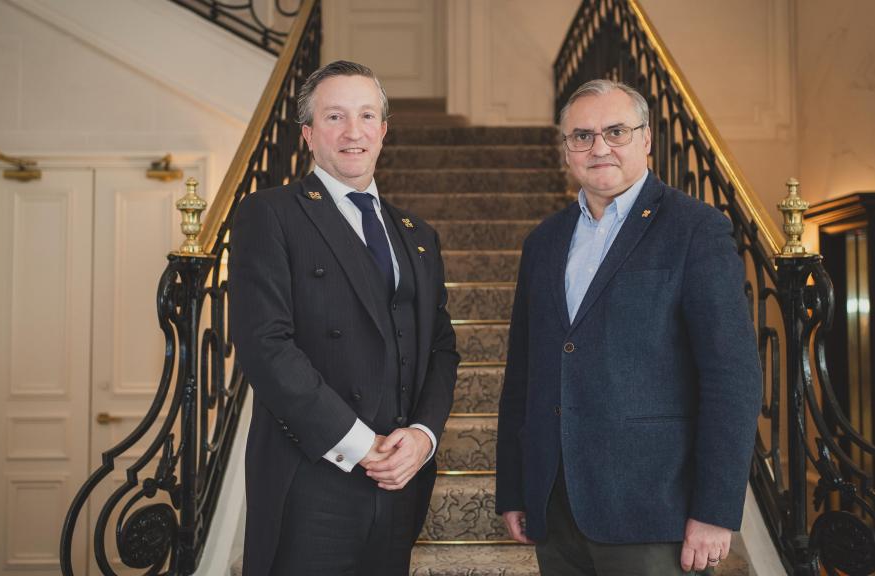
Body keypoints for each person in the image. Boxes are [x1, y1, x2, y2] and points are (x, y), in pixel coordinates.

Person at [495, 79, 762, 575]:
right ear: (566, 149)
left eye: (615, 131)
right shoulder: (543, 242)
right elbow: (523, 374)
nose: (599, 147)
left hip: (654, 511)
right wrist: (516, 487)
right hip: (556, 507)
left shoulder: (695, 229)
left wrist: (715, 511)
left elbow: (733, 378)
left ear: (646, 140)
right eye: (582, 135)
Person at [229, 60, 459, 576]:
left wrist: (422, 434)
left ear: (383, 130)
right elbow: (266, 346)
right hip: (312, 478)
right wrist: (360, 445)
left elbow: (442, 347)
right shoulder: (270, 214)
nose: (353, 132)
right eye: (334, 117)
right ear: (309, 134)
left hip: (400, 482)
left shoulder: (418, 232)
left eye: (366, 116)